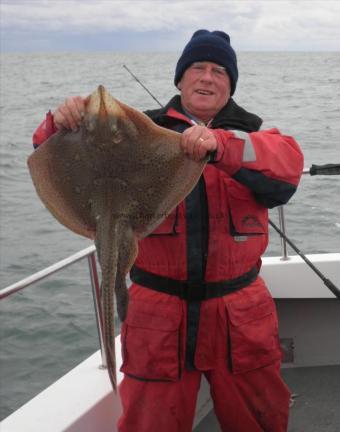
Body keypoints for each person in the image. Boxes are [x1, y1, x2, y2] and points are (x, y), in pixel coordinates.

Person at [32, 30, 304, 432]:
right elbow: (45, 151)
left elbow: (287, 165)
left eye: (219, 71)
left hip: (239, 314)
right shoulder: (146, 130)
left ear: (231, 85)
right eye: (198, 68)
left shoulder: (255, 133)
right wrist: (59, 121)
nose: (207, 78)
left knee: (259, 419)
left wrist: (220, 144)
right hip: (158, 312)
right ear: (180, 80)